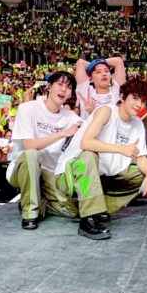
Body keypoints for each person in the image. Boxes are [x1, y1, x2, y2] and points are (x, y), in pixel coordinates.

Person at [7, 71, 105, 238]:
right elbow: (29, 145)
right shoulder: (28, 108)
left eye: (68, 87)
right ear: (49, 86)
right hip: (23, 168)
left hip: (50, 174)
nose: (64, 89)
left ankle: (41, 201)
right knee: (32, 155)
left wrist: (90, 113)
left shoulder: (70, 117)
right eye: (60, 84)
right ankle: (30, 213)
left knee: (75, 211)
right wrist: (62, 133)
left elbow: (89, 135)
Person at [57, 79, 147, 232]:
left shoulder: (137, 124)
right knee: (90, 155)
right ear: (123, 97)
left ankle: (100, 206)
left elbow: (141, 156)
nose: (139, 105)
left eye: (143, 101)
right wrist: (121, 149)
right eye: (135, 98)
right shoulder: (106, 111)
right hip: (72, 173)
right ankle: (89, 218)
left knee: (145, 171)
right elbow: (86, 143)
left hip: (100, 177)